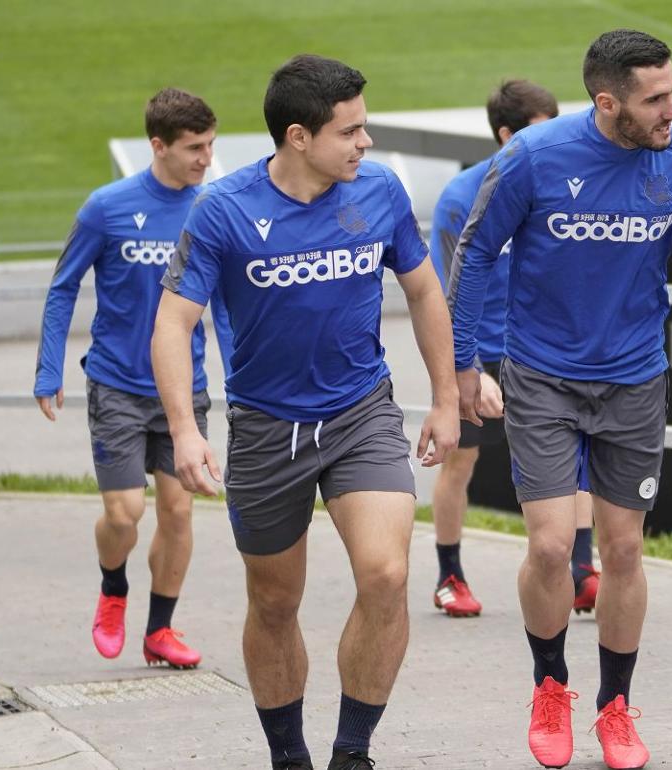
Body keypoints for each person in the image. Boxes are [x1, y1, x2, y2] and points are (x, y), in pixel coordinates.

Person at [152, 55, 459, 770]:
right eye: (349, 131)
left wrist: (446, 398)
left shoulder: (379, 191)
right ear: (298, 136)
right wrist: (185, 431)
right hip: (265, 429)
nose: (365, 143)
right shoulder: (224, 209)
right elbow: (172, 323)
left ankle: (352, 754)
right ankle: (289, 756)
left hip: (361, 415)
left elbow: (423, 290)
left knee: (386, 575)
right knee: (273, 602)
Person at [447, 29, 672, 770]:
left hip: (634, 381)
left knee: (624, 547)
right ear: (608, 102)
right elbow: (475, 251)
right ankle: (549, 688)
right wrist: (464, 364)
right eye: (655, 99)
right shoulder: (534, 157)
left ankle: (616, 707)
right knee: (548, 546)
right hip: (542, 376)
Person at [34, 87, 221, 671]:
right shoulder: (106, 207)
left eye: (210, 145)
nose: (206, 158)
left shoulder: (210, 210)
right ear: (158, 146)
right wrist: (48, 368)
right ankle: (113, 588)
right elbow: (63, 286)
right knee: (125, 514)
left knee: (179, 511)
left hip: (183, 390)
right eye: (194, 148)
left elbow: (231, 302)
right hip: (116, 384)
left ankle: (159, 630)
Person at [429, 79, 600, 619]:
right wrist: (468, 368)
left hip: (544, 351)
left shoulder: (566, 184)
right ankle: (449, 575)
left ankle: (581, 570)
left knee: (576, 459)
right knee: (460, 461)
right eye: (540, 129)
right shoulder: (461, 197)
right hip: (477, 354)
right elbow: (443, 295)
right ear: (507, 135)